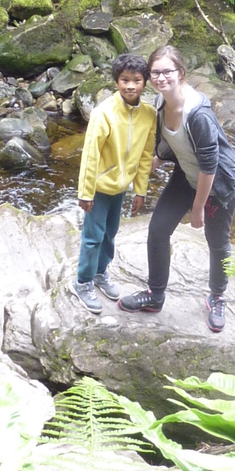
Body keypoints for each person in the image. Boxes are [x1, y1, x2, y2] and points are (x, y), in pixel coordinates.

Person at [118, 45, 235, 332]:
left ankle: (217, 296)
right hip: (187, 174)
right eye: (155, 73)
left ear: (181, 73)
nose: (161, 78)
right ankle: (155, 294)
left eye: (167, 72)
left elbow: (210, 164)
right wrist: (152, 162)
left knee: (217, 241)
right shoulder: (160, 103)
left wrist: (198, 208)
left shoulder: (197, 114)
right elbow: (168, 143)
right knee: (158, 229)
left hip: (218, 183)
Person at [69, 53, 156, 314]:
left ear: (145, 82)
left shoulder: (149, 114)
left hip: (121, 188)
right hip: (98, 187)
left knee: (110, 233)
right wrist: (85, 192)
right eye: (124, 80)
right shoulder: (103, 112)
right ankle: (82, 282)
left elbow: (145, 155)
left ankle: (100, 273)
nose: (131, 86)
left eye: (137, 80)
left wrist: (140, 190)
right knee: (93, 237)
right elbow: (90, 154)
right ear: (116, 81)